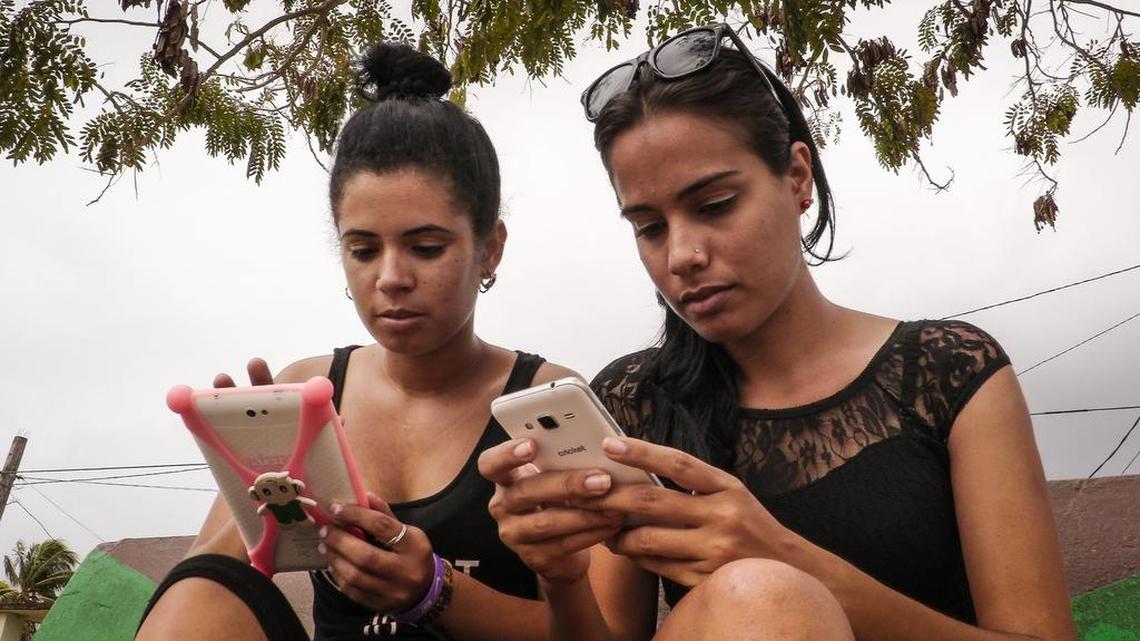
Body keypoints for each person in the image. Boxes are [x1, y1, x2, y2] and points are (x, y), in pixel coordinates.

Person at [479, 23, 1077, 641]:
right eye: (650, 227)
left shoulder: (948, 370)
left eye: (714, 205)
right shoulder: (637, 400)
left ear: (796, 177)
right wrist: (561, 577)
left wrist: (790, 562)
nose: (681, 254)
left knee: (762, 592)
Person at [136, 42, 580, 641]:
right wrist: (256, 486)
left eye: (427, 247)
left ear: (490, 247)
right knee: (196, 598)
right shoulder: (311, 387)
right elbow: (209, 588)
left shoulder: (548, 402)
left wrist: (434, 592)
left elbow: (607, 632)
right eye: (363, 249)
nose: (391, 277)